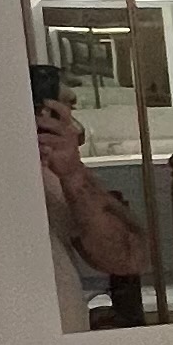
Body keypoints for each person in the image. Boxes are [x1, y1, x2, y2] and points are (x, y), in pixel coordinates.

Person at [34, 67, 148, 329]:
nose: (76, 127)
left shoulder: (55, 173)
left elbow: (127, 258)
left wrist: (72, 174)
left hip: (64, 338)